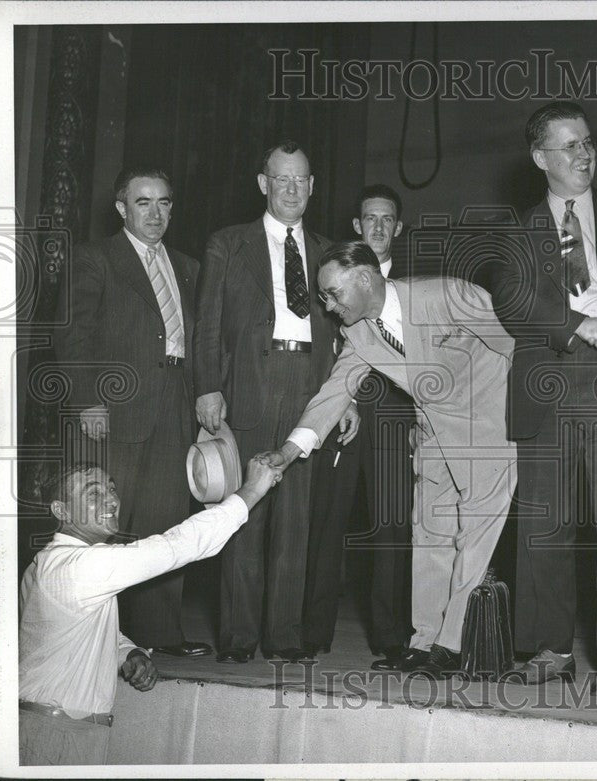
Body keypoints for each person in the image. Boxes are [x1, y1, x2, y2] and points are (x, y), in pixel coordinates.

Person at [267, 240, 516, 676]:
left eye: (333, 293)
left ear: (365, 278)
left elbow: (515, 339)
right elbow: (334, 392)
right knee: (429, 536)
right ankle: (423, 642)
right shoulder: (359, 332)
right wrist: (288, 452)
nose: (328, 306)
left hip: (488, 429)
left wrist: (522, 416)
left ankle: (452, 646)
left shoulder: (445, 295)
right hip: (433, 434)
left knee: (474, 541)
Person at [487, 101, 597, 693]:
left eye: (588, 142)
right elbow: (510, 301)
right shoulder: (516, 231)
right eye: (568, 145)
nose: (583, 154)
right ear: (541, 158)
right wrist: (574, 324)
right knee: (546, 528)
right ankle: (549, 647)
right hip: (550, 390)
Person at [18, 457, 283, 765]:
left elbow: (73, 632)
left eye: (112, 488)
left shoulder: (47, 565)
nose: (113, 500)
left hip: (60, 729)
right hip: (56, 736)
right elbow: (179, 545)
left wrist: (127, 653)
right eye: (94, 493)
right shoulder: (77, 567)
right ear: (61, 511)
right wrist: (252, 489)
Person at [192, 140, 346, 663]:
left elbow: (349, 334)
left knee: (296, 521)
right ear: (263, 184)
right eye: (281, 179)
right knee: (245, 511)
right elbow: (208, 322)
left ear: (312, 186)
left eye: (301, 180)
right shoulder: (228, 245)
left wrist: (343, 399)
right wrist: (208, 385)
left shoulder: (328, 251)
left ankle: (284, 635)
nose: (291, 189)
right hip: (250, 385)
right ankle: (238, 635)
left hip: (311, 385)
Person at [53, 167, 209, 658]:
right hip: (116, 408)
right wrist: (87, 398)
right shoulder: (97, 258)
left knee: (165, 520)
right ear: (122, 208)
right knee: (106, 521)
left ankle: (159, 635)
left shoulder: (187, 266)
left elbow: (198, 341)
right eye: (144, 203)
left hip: (174, 404)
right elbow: (71, 333)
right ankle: (99, 640)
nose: (156, 213)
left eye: (164, 202)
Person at [303, 185, 415, 667]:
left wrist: (420, 421)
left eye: (387, 219)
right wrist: (342, 398)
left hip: (395, 416)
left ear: (398, 228)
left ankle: (391, 638)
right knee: (328, 521)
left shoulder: (414, 283)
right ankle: (311, 633)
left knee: (392, 524)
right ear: (357, 226)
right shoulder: (332, 281)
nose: (378, 227)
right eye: (370, 218)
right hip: (342, 413)